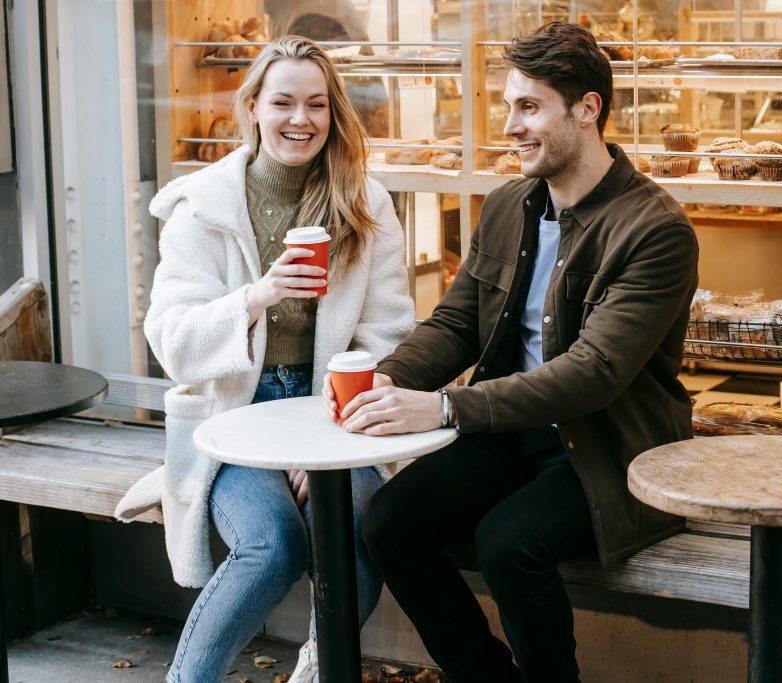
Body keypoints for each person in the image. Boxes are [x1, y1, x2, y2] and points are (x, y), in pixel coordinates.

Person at [323, 22, 699, 683]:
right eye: (509, 106)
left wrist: (444, 408)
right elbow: (457, 324)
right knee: (387, 520)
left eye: (530, 107)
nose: (511, 126)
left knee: (508, 541)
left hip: (610, 451)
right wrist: (382, 383)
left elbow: (594, 374)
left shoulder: (655, 229)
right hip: (512, 433)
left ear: (588, 109)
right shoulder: (508, 206)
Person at [114, 35, 414, 682]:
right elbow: (171, 340)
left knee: (364, 530)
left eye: (316, 105)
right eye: (282, 102)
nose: (299, 120)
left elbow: (389, 335)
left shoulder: (366, 204)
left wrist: (327, 434)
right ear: (251, 106)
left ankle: (315, 671)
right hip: (232, 417)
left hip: (327, 413)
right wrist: (257, 296)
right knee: (272, 543)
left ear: (334, 114)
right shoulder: (202, 207)